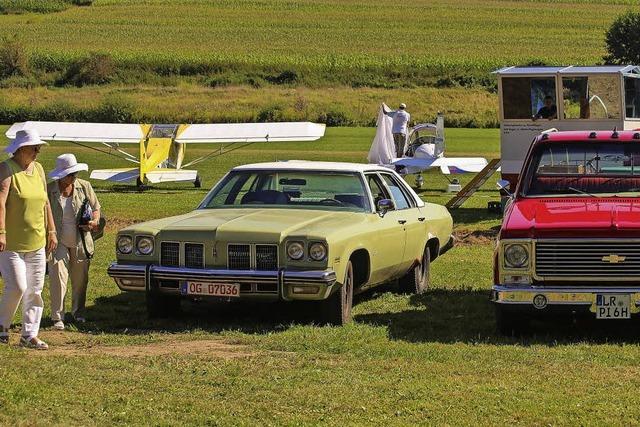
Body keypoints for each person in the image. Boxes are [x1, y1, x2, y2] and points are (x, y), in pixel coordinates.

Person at [0, 129, 57, 350]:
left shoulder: (39, 169)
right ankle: (3, 326)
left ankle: (29, 334)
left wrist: (51, 230)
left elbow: (45, 202)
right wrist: (1, 232)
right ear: (21, 148)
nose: (37, 152)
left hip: (37, 241)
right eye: (34, 148)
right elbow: (1, 202)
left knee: (35, 289)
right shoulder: (6, 169)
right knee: (17, 287)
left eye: (38, 148)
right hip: (11, 242)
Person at [47, 154, 101, 330]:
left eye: (75, 174)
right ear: (60, 175)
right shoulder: (49, 190)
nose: (73, 177)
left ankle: (78, 313)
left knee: (80, 280)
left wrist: (94, 222)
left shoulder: (85, 187)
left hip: (80, 241)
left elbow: (96, 208)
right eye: (69, 174)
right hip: (57, 241)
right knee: (58, 278)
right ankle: (58, 317)